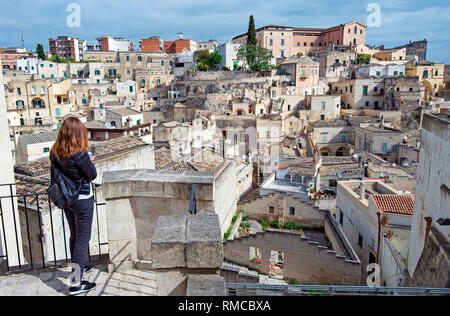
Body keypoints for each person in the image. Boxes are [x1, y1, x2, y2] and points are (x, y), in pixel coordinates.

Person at [50, 117, 98, 296]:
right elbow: (91, 175)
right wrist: (89, 160)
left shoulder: (55, 152)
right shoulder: (79, 154)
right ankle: (76, 284)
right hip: (82, 199)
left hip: (67, 200)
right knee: (82, 240)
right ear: (78, 134)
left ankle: (78, 269)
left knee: (75, 236)